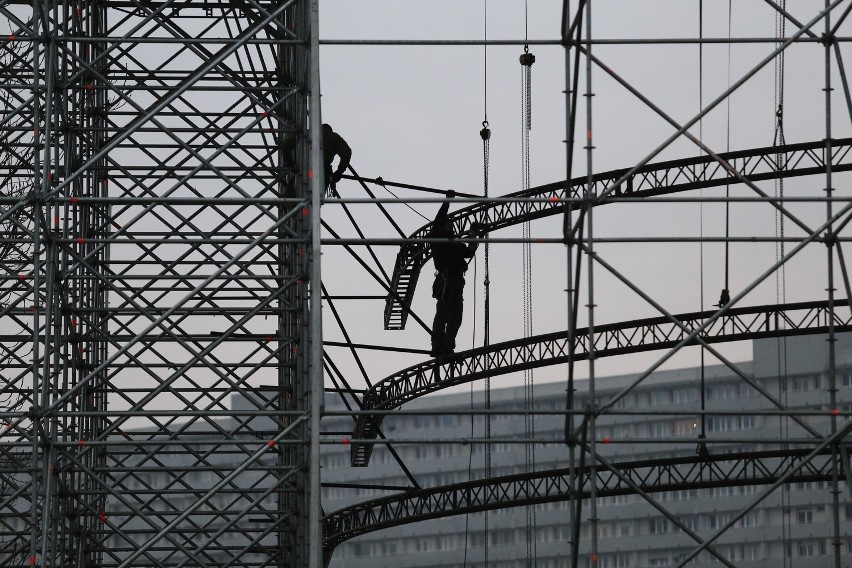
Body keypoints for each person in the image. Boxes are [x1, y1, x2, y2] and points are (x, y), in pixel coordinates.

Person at [430, 191, 480, 358]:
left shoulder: (456, 245)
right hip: (445, 280)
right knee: (443, 314)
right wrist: (447, 201)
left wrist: (474, 235)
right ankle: (437, 346)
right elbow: (438, 221)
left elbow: (470, 251)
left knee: (456, 317)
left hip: (456, 282)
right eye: (449, 224)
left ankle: (447, 346)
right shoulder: (437, 238)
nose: (452, 227)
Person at [322, 124, 351, 197]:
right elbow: (347, 152)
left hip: (303, 169)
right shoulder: (333, 137)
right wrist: (339, 171)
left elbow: (288, 144)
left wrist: (290, 163)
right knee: (315, 200)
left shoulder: (306, 134)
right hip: (323, 171)